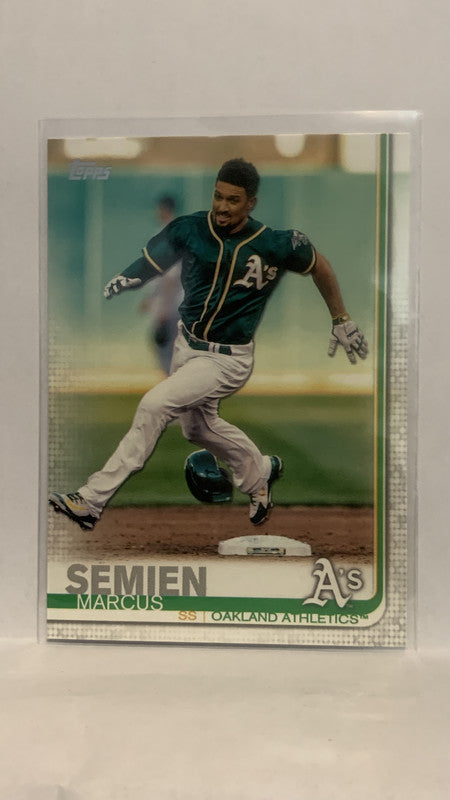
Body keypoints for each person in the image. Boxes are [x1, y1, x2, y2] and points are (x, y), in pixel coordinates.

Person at [49, 158, 368, 531]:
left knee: (153, 405)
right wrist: (129, 277)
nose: (222, 206)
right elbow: (152, 261)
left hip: (226, 360)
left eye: (233, 200)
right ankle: (260, 473)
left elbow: (319, 265)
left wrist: (341, 319)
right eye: (218, 196)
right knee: (197, 429)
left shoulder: (275, 243)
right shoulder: (191, 228)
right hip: (186, 345)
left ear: (251, 203)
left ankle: (90, 500)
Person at [139, 195, 183, 375]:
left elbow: (170, 277)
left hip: (171, 304)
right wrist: (150, 299)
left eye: (159, 208)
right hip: (171, 301)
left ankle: (177, 387)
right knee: (169, 349)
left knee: (167, 351)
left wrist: (164, 308)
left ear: (165, 209)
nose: (157, 212)